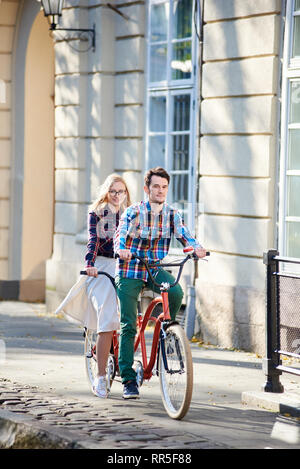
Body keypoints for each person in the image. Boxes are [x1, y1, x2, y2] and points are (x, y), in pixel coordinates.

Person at [114, 167, 206, 399]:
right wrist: (121, 249)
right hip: (130, 270)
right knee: (128, 324)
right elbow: (120, 233)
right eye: (156, 186)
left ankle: (166, 333)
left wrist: (196, 247)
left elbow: (185, 235)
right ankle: (127, 378)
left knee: (175, 292)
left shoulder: (172, 214)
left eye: (164, 187)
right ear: (146, 189)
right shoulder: (133, 212)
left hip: (153, 269)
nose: (160, 191)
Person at [55, 173, 131, 398]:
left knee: (131, 315)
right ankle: (100, 377)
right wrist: (89, 264)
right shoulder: (97, 213)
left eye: (121, 191)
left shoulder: (131, 215)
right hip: (101, 266)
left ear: (126, 194)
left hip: (124, 265)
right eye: (113, 191)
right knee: (107, 316)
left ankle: (129, 364)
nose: (117, 195)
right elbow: (92, 241)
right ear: (107, 192)